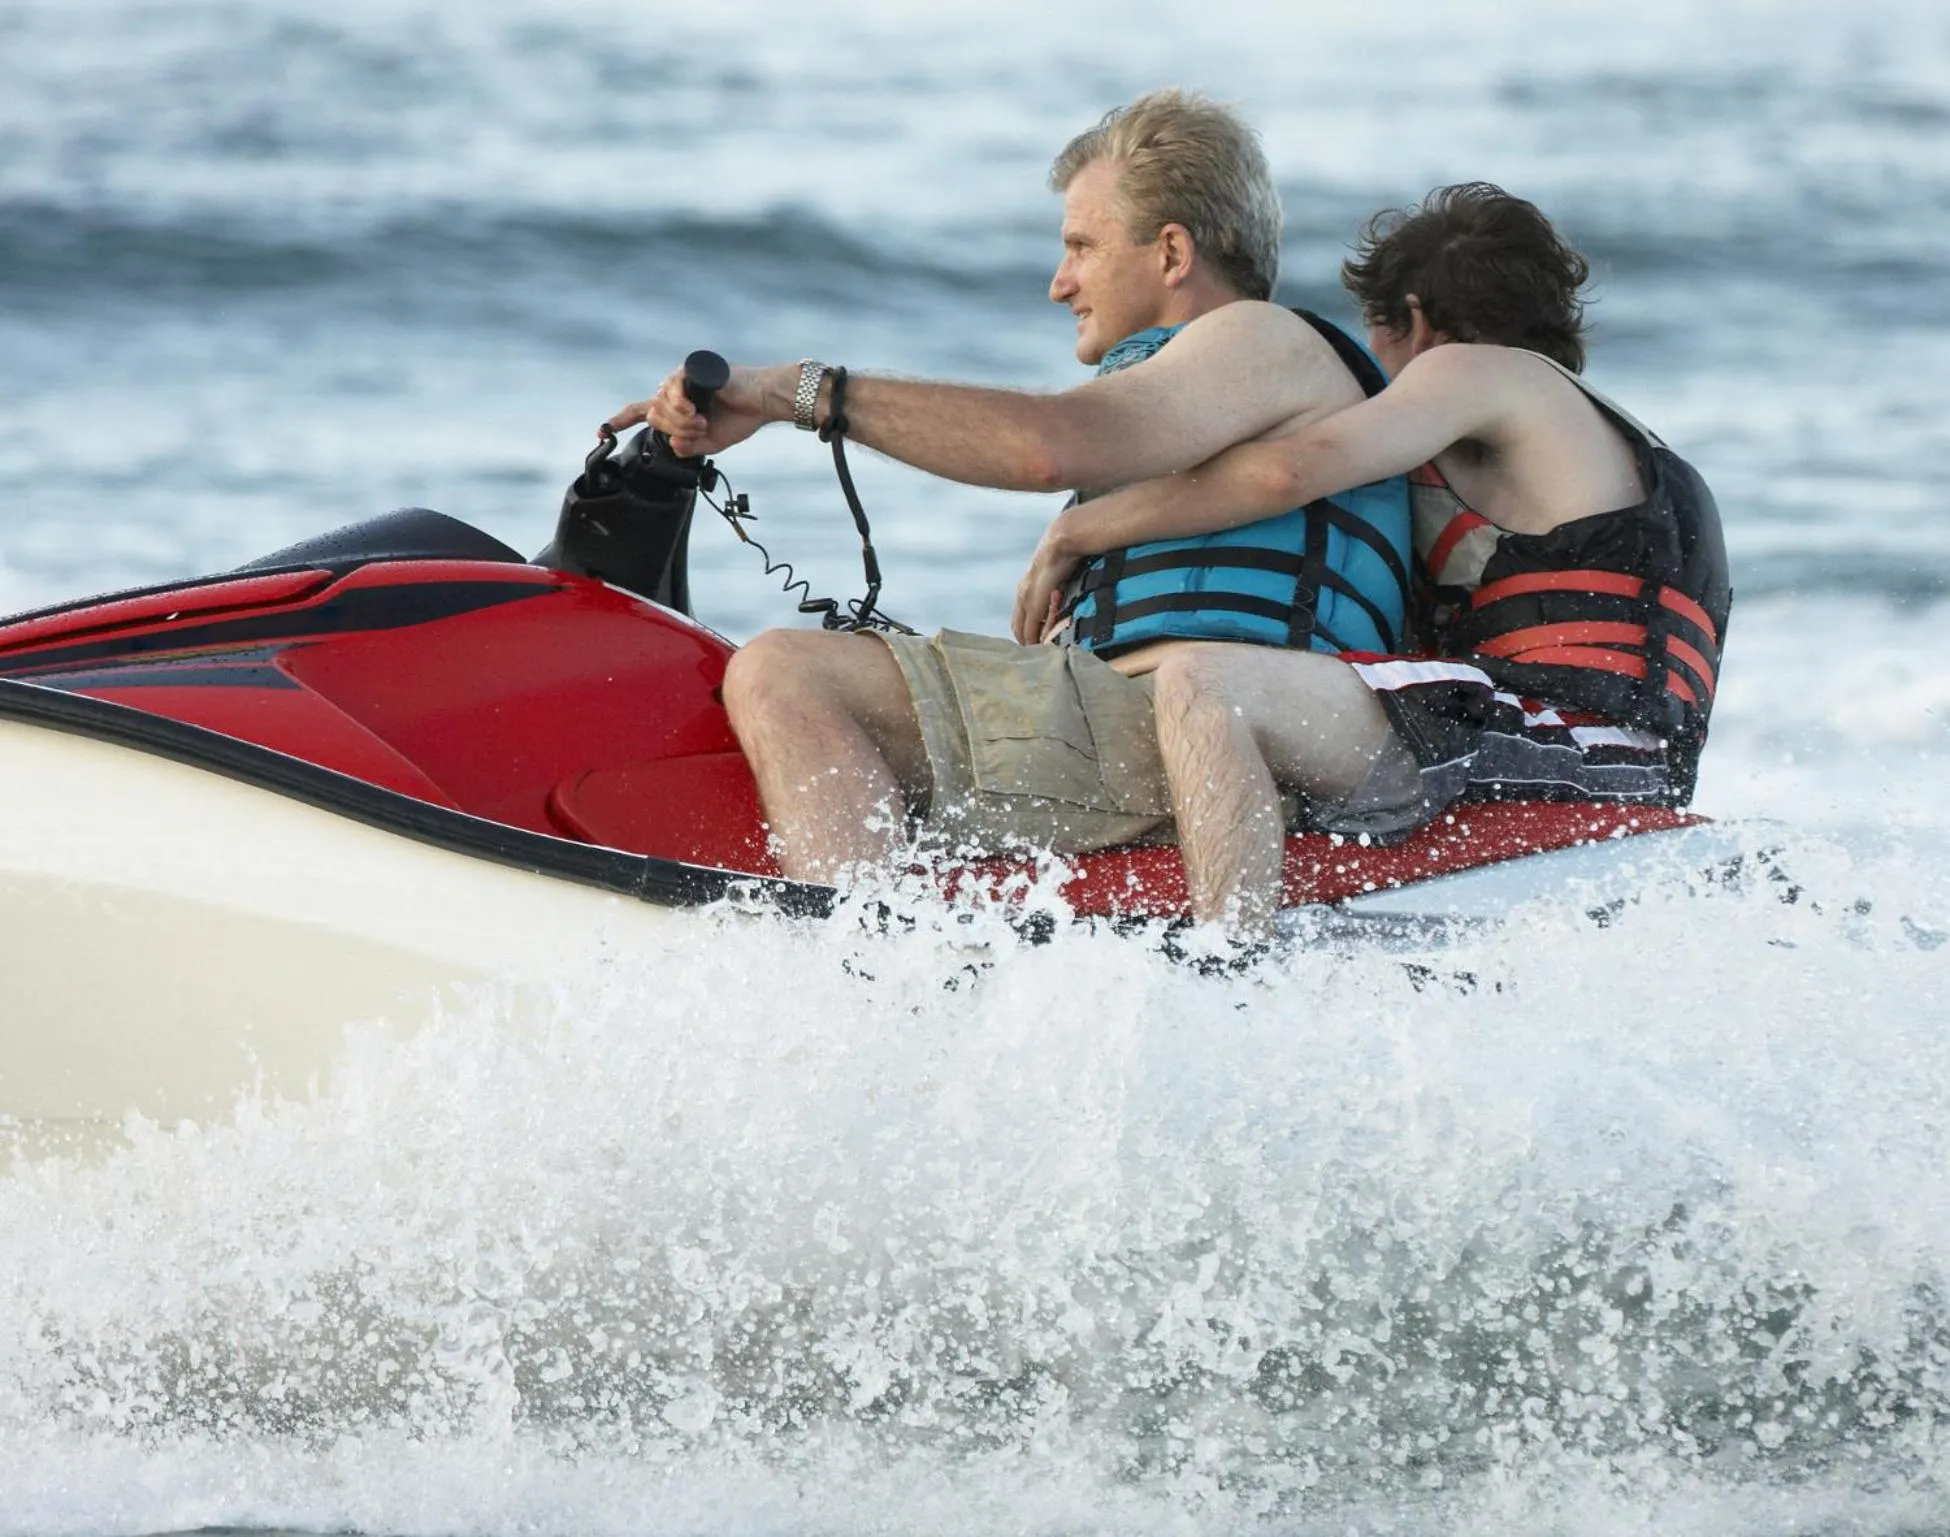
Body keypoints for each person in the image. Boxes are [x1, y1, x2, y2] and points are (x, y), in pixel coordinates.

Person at [607, 89, 1412, 889]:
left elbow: (1048, 448)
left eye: (1081, 246)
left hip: (1248, 721)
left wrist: (799, 392)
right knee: (790, 683)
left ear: (1171, 253)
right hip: (1140, 737)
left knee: (785, 671)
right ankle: (888, 926)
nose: (1060, 284)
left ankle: (862, 970)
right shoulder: (1177, 408)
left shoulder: (1263, 337)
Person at [1012, 183, 1732, 932]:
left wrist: (1077, 531)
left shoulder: (1471, 371)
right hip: (1634, 762)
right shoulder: (1629, 448)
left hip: (1569, 744)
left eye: (1372, 352)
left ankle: (1229, 963)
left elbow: (1290, 470)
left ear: (1415, 321)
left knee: (1207, 685)